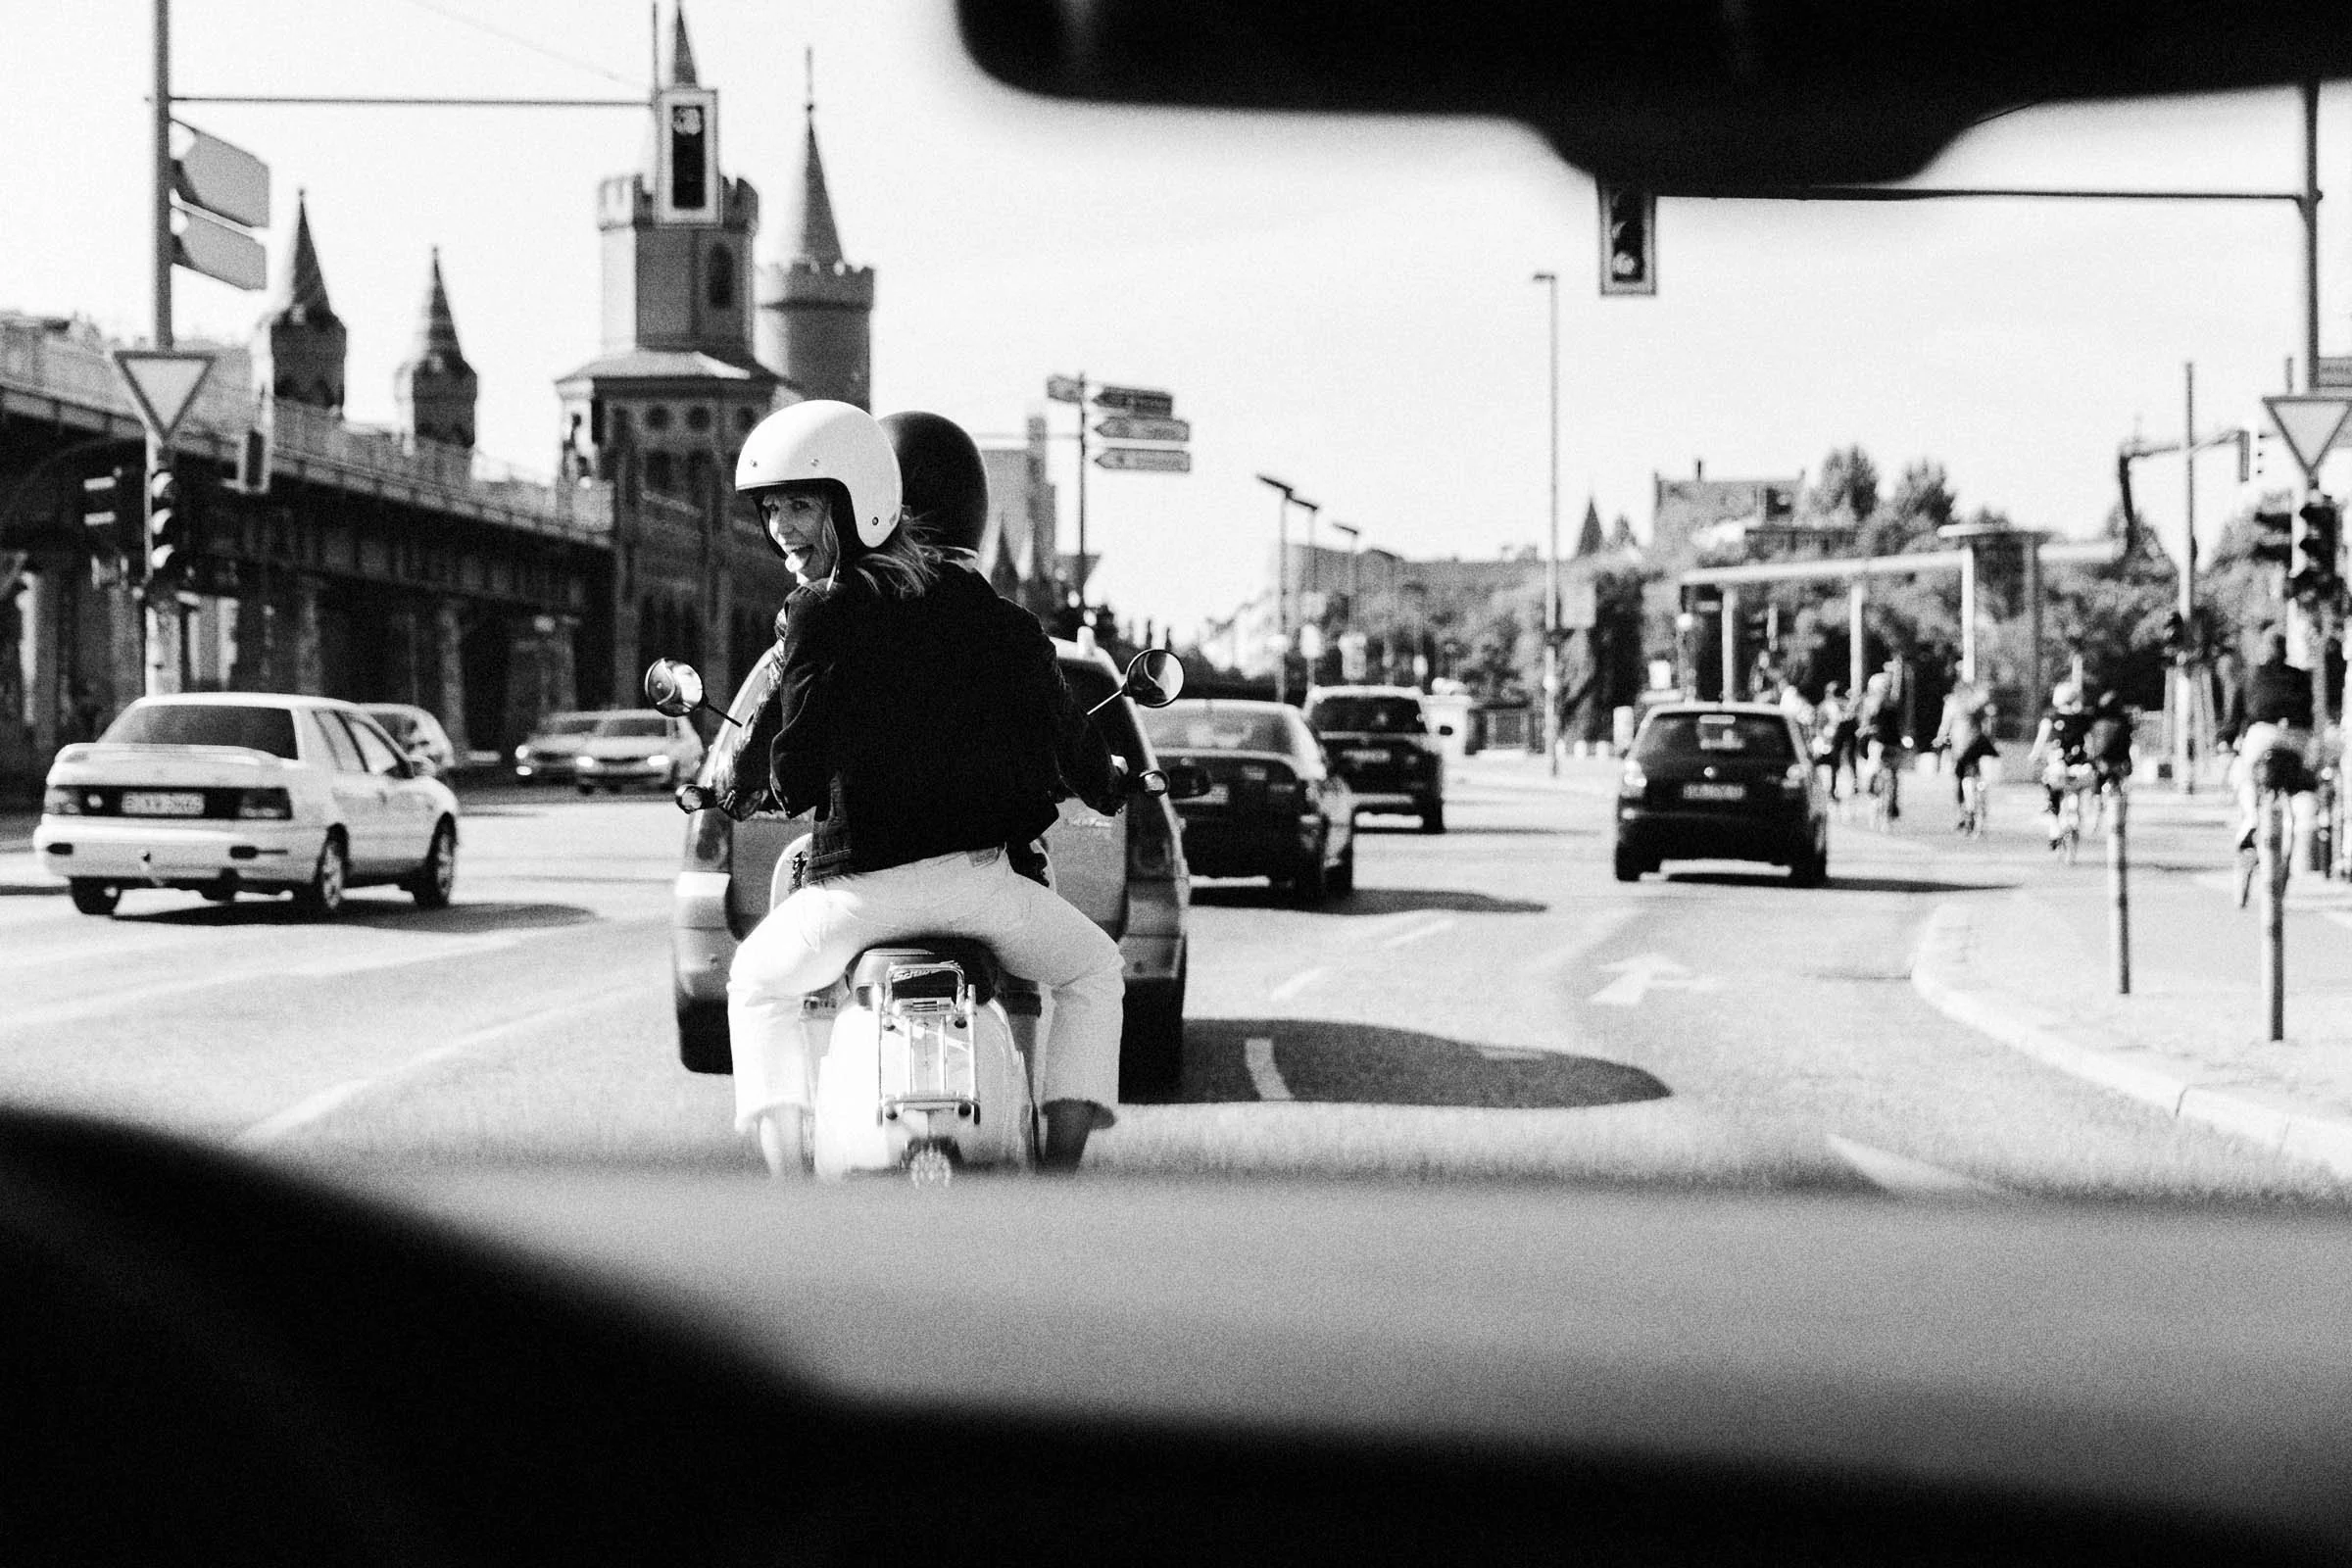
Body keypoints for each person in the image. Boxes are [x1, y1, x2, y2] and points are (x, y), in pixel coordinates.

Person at [718, 400, 1130, 1176]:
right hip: (978, 892)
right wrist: (1106, 787)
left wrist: (765, 774)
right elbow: (1073, 741)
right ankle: (1062, 1175)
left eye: (800, 505)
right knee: (1093, 971)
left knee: (758, 985)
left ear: (858, 500)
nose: (780, 527)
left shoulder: (819, 616)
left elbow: (793, 776)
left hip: (858, 900)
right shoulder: (1000, 620)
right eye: (772, 509)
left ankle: (786, 1186)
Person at [2222, 631, 2318, 858]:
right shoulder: (2301, 677)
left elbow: (2235, 718)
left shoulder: (2250, 675)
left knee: (2243, 773)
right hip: (2297, 736)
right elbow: (2309, 712)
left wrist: (2225, 741)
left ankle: (2251, 818)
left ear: (2263, 650)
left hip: (2262, 735)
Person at [2025, 681, 2095, 845]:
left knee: (2051, 788)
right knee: (2078, 789)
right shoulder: (2084, 719)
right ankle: (2075, 821)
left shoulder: (2050, 719)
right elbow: (2091, 743)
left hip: (2059, 768)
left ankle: (2055, 824)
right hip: (2080, 767)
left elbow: (2040, 742)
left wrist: (2035, 756)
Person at [1930, 667, 1997, 826]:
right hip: (1978, 743)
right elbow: (1989, 721)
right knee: (1975, 771)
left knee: (1960, 777)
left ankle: (1963, 811)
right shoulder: (1978, 702)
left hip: (1960, 746)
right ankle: (1979, 800)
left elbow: (1945, 724)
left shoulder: (1953, 703)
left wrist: (1940, 739)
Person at [1856, 670, 1905, 818]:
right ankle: (1894, 804)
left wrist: (1864, 731)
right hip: (1895, 743)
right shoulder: (1894, 702)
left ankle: (1871, 792)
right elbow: (1901, 724)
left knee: (1872, 770)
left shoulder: (1871, 703)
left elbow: (1864, 724)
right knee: (1894, 774)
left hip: (1880, 743)